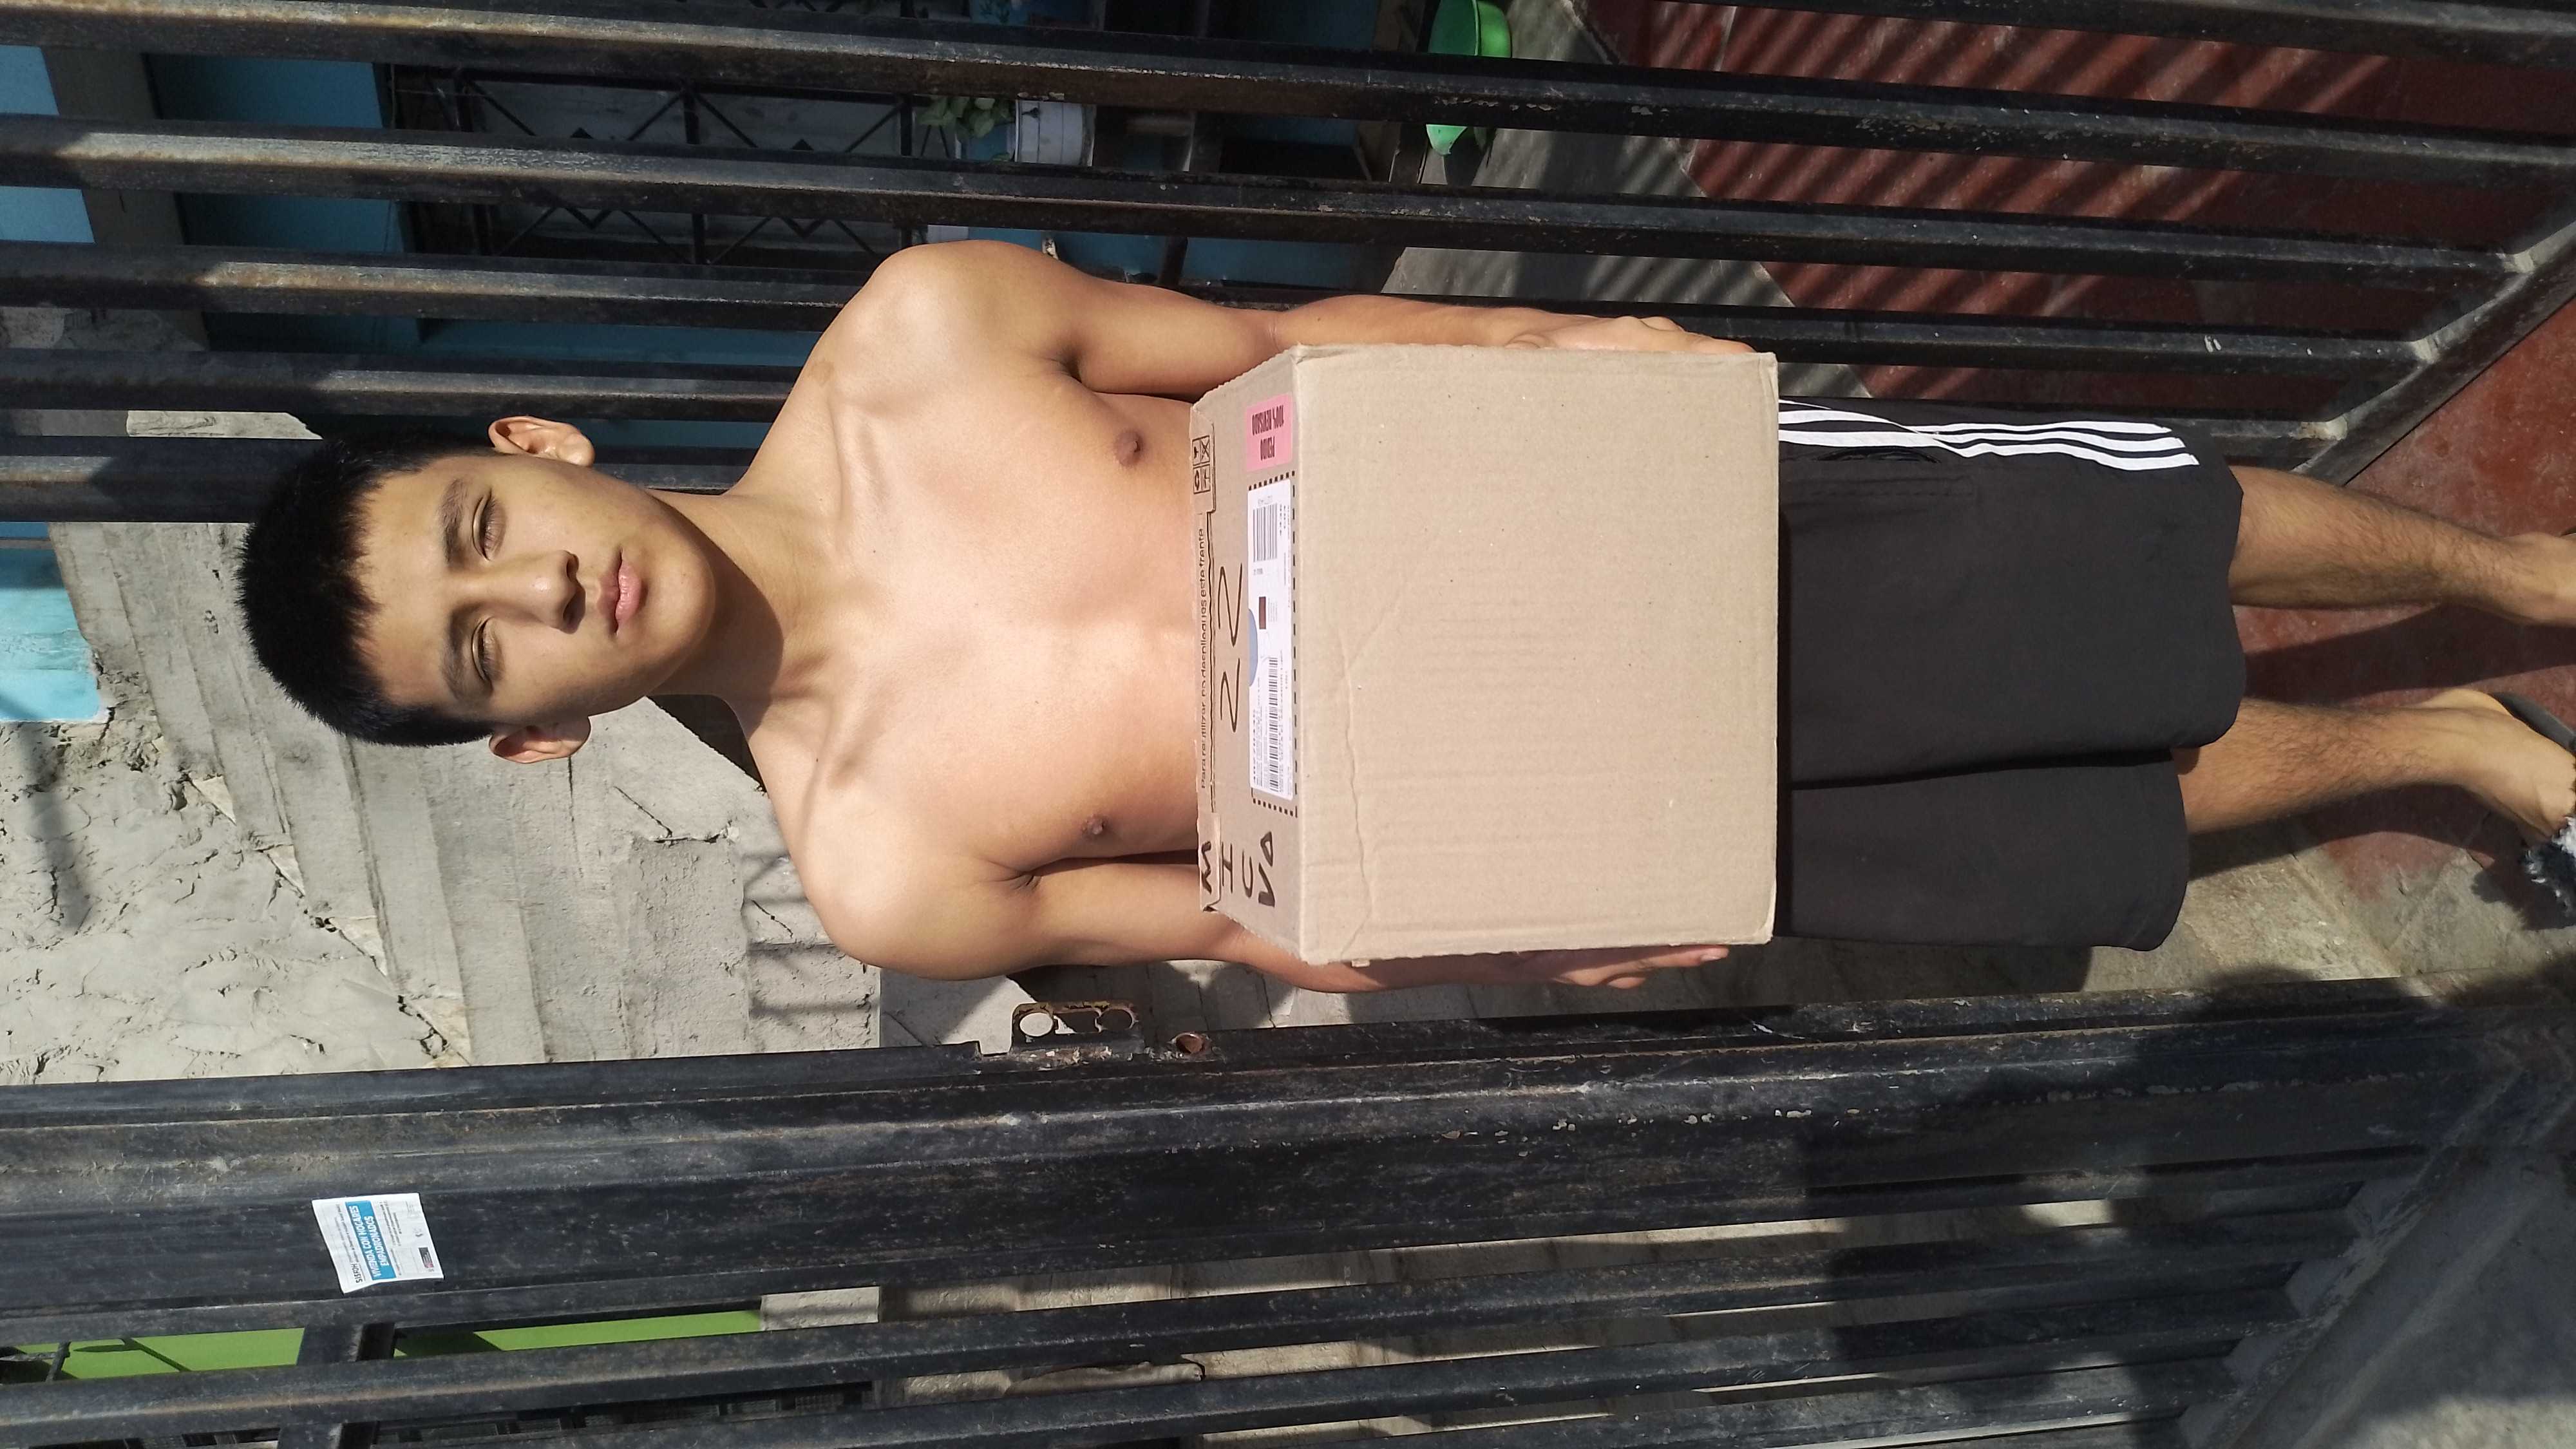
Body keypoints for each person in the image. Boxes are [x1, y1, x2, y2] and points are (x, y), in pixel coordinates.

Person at [236, 240, 2576, 993]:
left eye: (480, 529)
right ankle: (2459, 740)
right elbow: (1257, 921)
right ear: (530, 731)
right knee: (2077, 830)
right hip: (1574, 800)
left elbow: (1275, 347)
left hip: (1604, 524)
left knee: (2108, 545)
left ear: (528, 446)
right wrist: (1548, 929)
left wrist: (1552, 353)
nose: (540, 589)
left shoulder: (921, 335)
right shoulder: (884, 866)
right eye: (487, 649)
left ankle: (2519, 576)